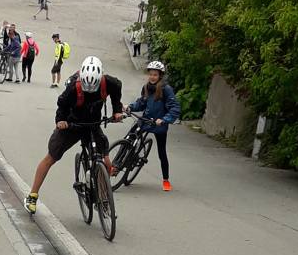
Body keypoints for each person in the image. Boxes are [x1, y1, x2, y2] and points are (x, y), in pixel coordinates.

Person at [24, 56, 124, 214]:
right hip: (72, 124)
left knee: (104, 160)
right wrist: (61, 120)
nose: (89, 90)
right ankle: (32, 195)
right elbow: (61, 104)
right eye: (86, 87)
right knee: (52, 156)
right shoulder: (72, 87)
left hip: (92, 124)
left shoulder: (109, 82)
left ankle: (103, 198)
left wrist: (117, 110)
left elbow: (117, 89)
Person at [123, 61, 181, 191]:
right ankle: (117, 165)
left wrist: (165, 119)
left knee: (162, 152)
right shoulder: (146, 87)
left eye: (155, 74)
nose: (152, 77)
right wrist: (130, 107)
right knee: (129, 138)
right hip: (145, 120)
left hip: (159, 124)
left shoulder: (166, 89)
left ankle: (166, 180)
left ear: (160, 76)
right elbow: (142, 103)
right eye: (151, 74)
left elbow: (174, 108)